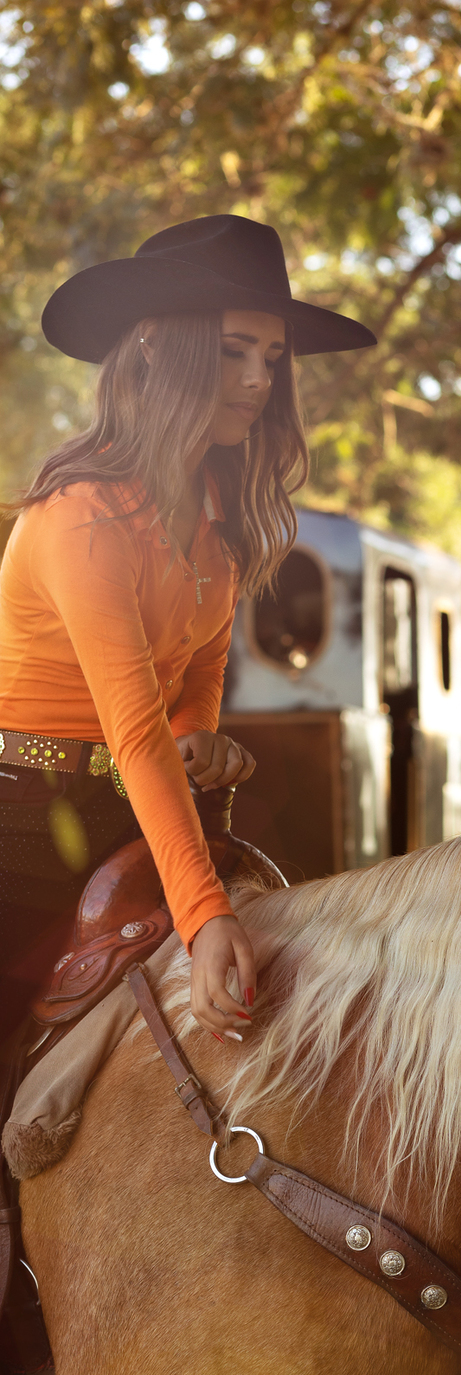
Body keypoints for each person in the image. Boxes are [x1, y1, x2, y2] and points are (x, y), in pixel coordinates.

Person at [0, 215, 375, 1049]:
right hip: (22, 824)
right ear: (155, 350)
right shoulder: (82, 520)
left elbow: (197, 671)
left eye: (272, 360)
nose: (259, 381)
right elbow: (133, 731)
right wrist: (204, 917)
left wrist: (198, 731)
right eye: (236, 351)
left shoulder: (219, 517)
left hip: (137, 811)